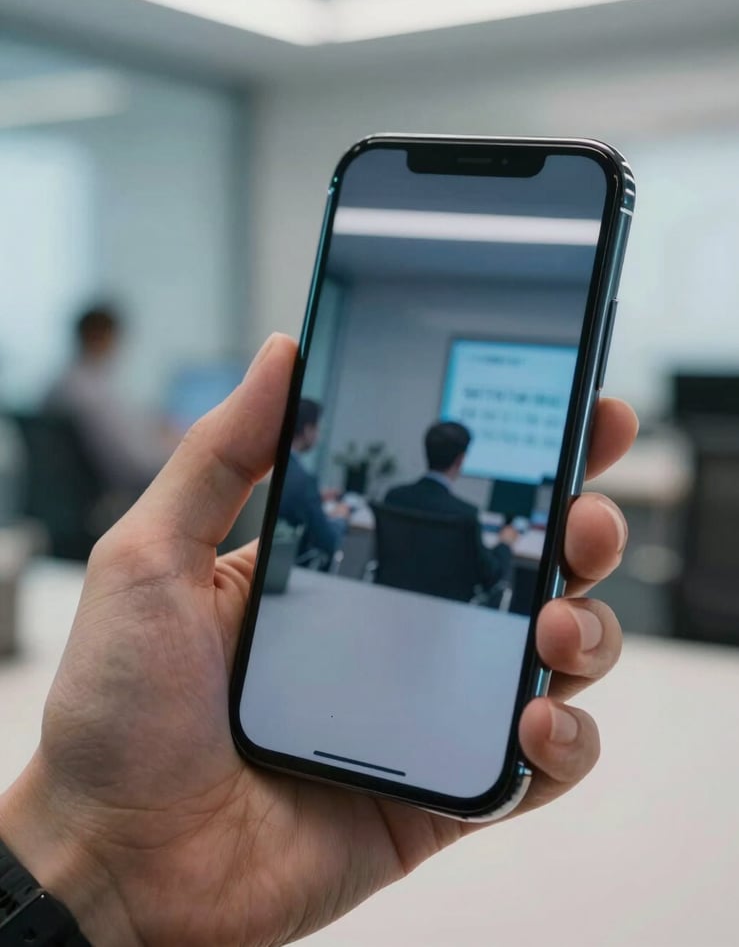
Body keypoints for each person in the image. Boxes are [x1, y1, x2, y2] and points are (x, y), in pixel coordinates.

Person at [0, 334, 636, 946]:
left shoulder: (389, 496)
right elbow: (493, 578)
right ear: (463, 460)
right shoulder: (470, 518)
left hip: (375, 645)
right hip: (442, 666)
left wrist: (81, 864)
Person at [45, 305, 176, 493]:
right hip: (115, 498)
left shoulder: (61, 384)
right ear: (102, 338)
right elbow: (135, 465)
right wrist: (180, 451)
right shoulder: (90, 393)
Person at [384, 420, 518, 593]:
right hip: (446, 609)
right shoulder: (464, 514)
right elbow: (490, 576)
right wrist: (505, 543)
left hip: (391, 598)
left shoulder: (395, 497)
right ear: (461, 459)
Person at [279, 397, 348, 563]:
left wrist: (316, 497)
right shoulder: (303, 481)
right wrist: (340, 517)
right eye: (318, 428)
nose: (319, 435)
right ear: (308, 430)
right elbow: (328, 541)